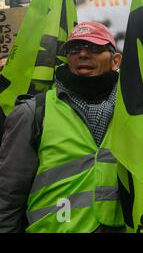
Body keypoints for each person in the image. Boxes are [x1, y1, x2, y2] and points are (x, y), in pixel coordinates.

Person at [0, 22, 124, 233]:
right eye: (74, 49)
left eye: (94, 48)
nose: (83, 54)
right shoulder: (33, 113)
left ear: (116, 61)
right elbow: (8, 195)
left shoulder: (134, 112)